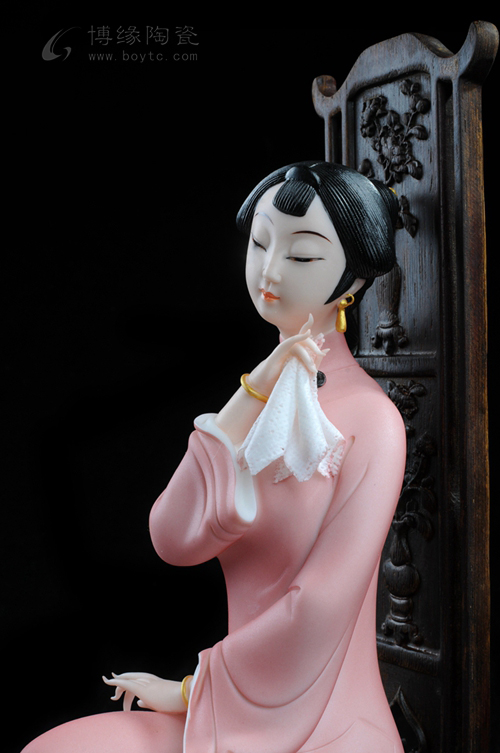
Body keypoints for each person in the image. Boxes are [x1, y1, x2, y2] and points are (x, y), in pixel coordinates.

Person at [22, 161, 406, 752]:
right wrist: (251, 393)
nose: (270, 271)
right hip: (238, 704)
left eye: (302, 255)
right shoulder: (265, 398)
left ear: (352, 280)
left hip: (324, 723)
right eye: (260, 243)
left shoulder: (372, 423)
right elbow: (172, 538)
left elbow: (319, 607)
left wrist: (191, 688)